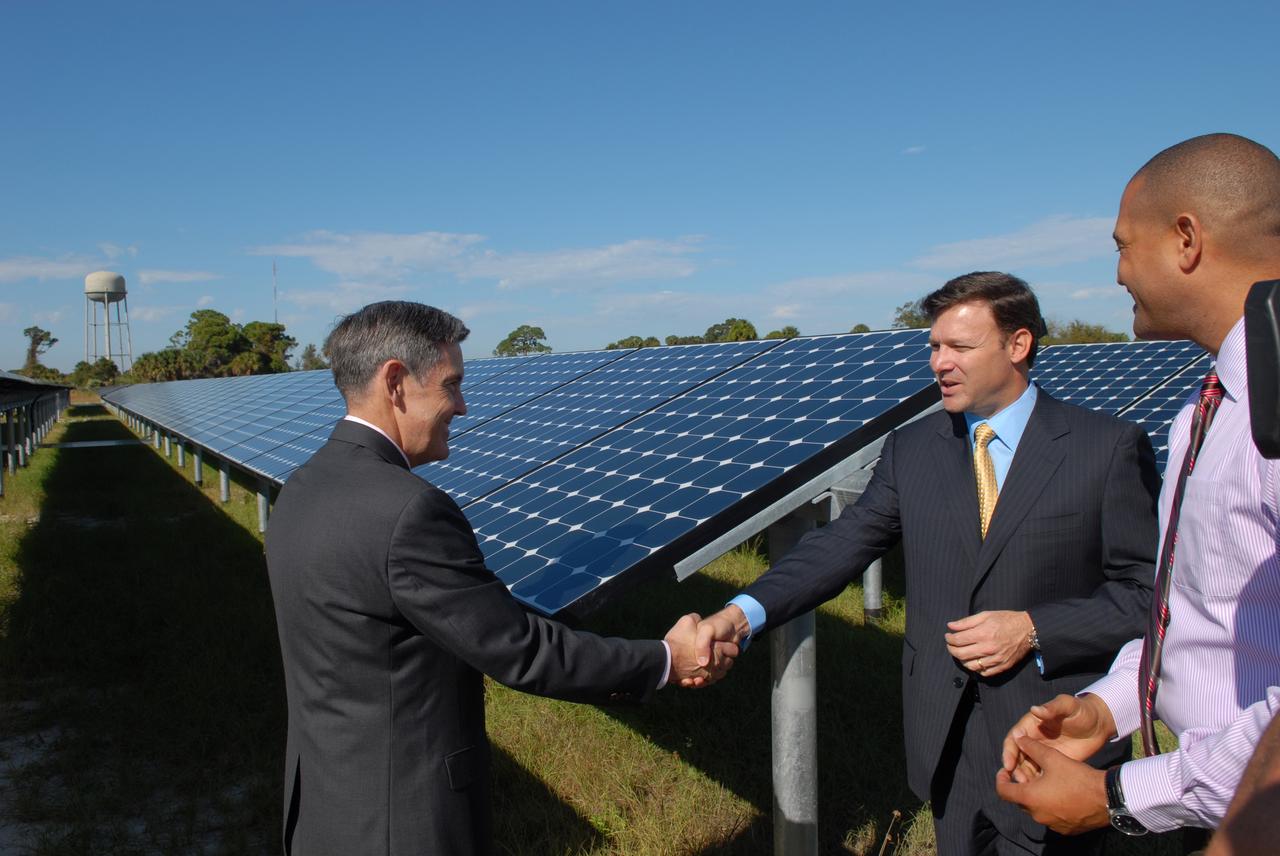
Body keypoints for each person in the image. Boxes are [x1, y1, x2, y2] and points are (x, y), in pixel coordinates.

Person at [694, 271, 1160, 855]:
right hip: (946, 740)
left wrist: (1032, 629)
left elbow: (1147, 594)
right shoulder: (912, 450)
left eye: (960, 347)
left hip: (1055, 736)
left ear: (1018, 346)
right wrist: (740, 616)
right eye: (935, 347)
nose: (940, 363)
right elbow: (843, 544)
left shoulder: (1105, 447)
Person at [265, 301, 734, 856]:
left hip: (327, 807)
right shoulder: (406, 512)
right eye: (451, 385)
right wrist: (666, 659)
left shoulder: (302, 487)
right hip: (402, 822)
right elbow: (523, 651)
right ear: (396, 382)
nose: (462, 408)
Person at [997, 133, 1280, 848]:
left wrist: (1119, 794)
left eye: (1124, 244)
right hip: (1215, 808)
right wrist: (1109, 707)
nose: (1118, 272)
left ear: (1186, 239)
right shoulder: (1205, 410)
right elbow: (1197, 617)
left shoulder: (1269, 413)